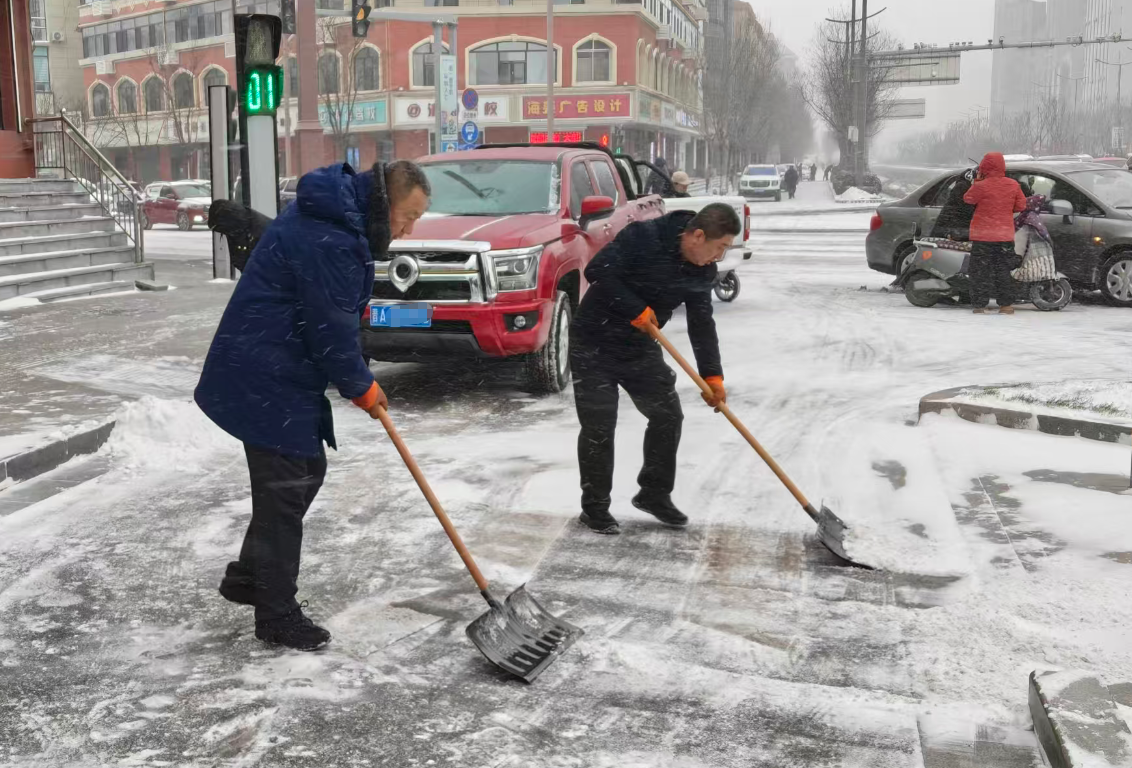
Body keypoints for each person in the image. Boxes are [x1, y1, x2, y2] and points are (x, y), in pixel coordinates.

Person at [195, 160, 431, 650]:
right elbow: (330, 330)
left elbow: (329, 319)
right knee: (286, 488)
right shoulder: (335, 239)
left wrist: (355, 374)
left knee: (304, 471)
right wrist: (362, 385)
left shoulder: (334, 221)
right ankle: (276, 614)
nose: (408, 230)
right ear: (384, 202)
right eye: (407, 216)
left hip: (275, 368)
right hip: (264, 372)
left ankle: (251, 576)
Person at [570, 204, 742, 535]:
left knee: (667, 415)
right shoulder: (644, 236)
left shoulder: (700, 270)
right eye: (719, 247)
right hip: (593, 341)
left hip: (638, 347)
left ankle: (654, 493)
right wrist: (634, 308)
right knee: (600, 426)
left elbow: (701, 324)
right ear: (698, 235)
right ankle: (594, 508)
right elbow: (598, 270)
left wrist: (713, 376)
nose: (718, 258)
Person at [963, 152, 1027, 315]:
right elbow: (1021, 206)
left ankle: (980, 305)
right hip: (1004, 236)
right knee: (1003, 271)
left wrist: (977, 180)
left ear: (985, 166)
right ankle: (1006, 305)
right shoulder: (1013, 185)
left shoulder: (981, 185)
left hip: (982, 237)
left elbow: (968, 199)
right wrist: (1005, 207)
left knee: (979, 271)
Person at [1012, 194, 1059, 284]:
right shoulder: (1032, 218)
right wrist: (1050, 243)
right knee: (1034, 264)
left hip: (1021, 246)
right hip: (1033, 247)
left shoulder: (1024, 216)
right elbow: (1042, 232)